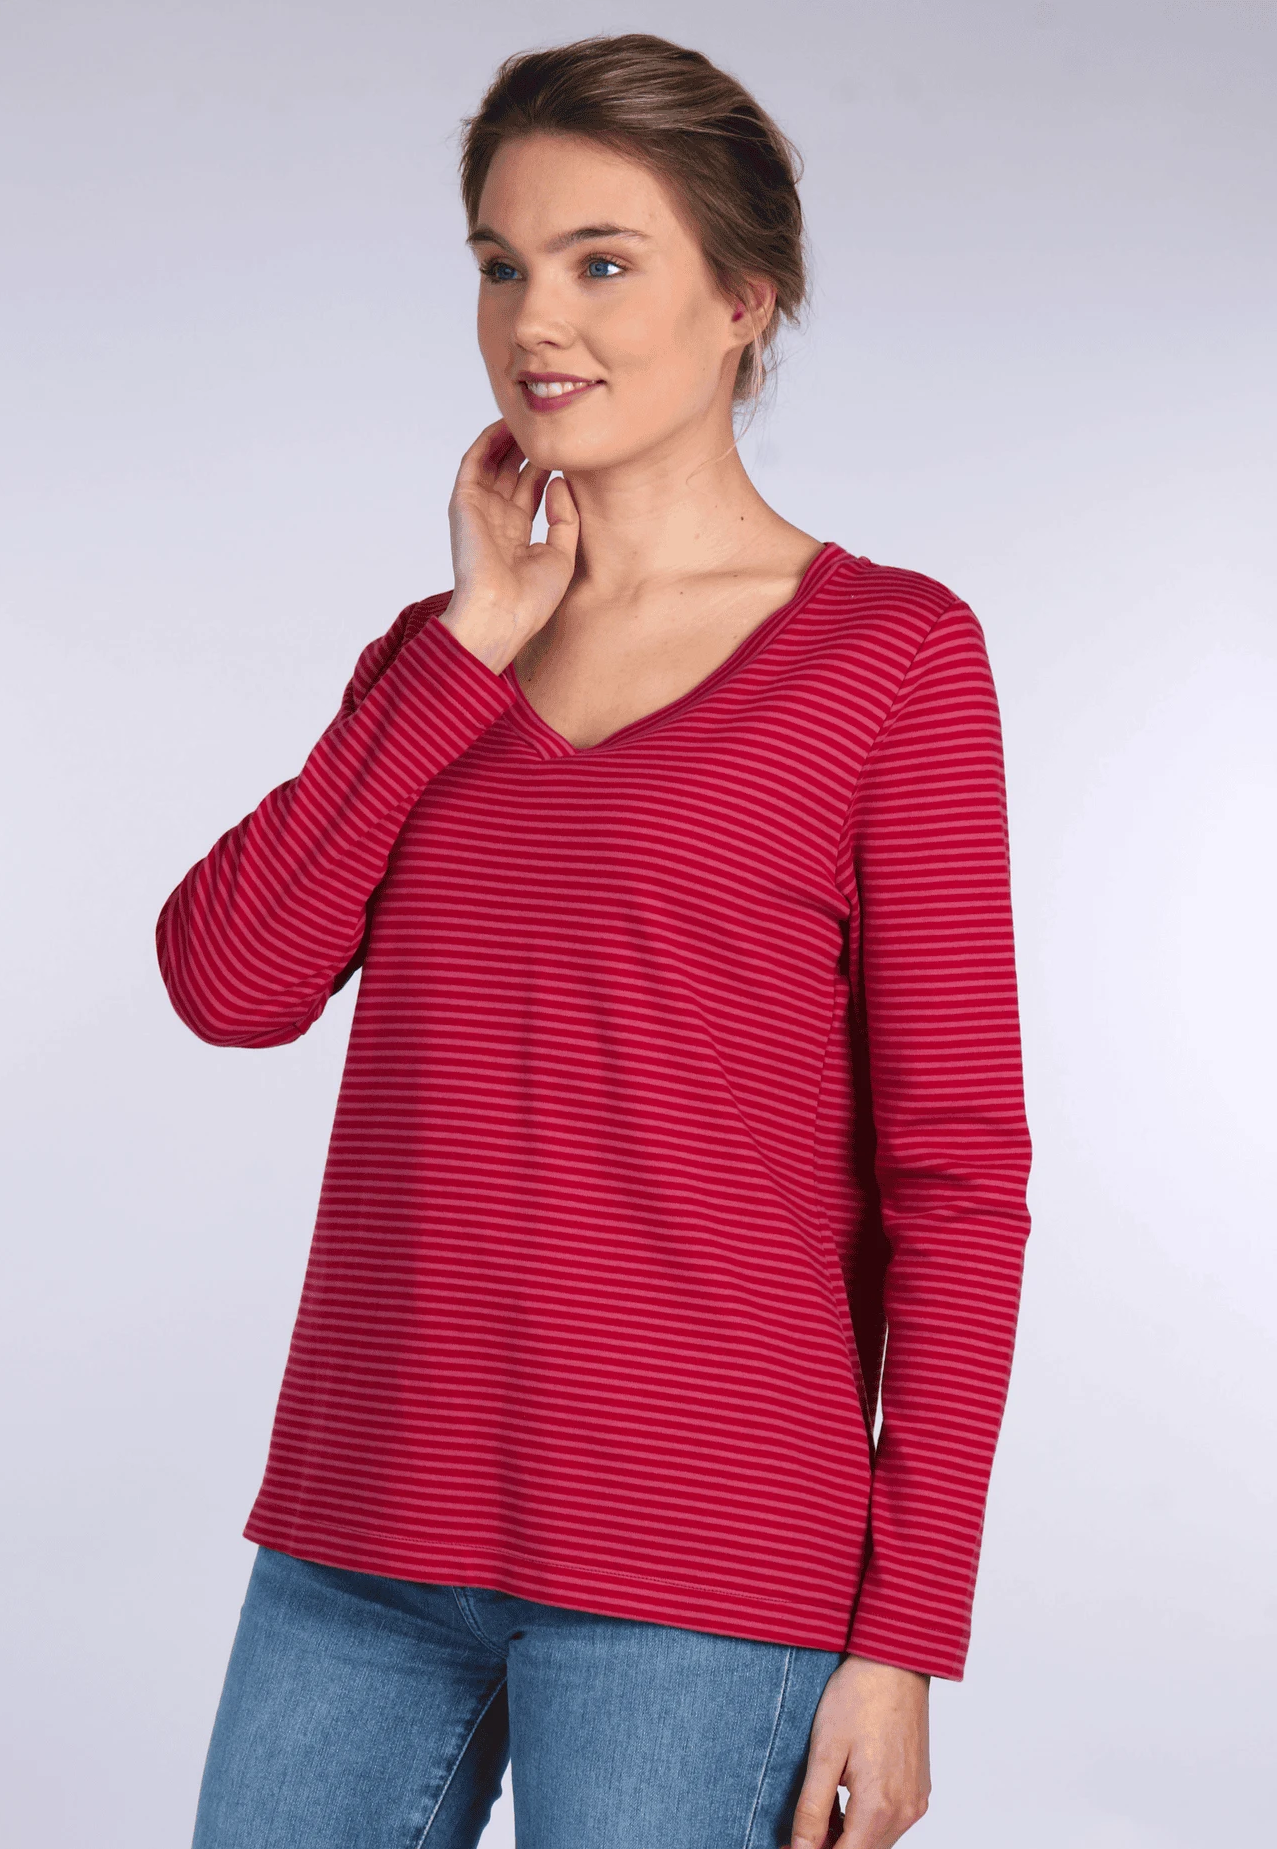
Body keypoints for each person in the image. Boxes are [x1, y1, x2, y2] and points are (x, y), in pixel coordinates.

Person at [158, 31, 1032, 1849]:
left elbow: (957, 1176)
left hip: (699, 1567)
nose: (534, 319)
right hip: (359, 1531)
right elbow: (229, 985)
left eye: (602, 262)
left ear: (743, 302)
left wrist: (904, 1637)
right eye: (501, 264)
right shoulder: (435, 661)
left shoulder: (894, 659)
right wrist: (470, 646)